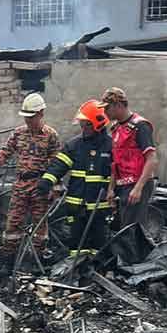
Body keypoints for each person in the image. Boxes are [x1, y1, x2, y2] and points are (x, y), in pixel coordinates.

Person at [0, 93, 61, 266]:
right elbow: (3, 154)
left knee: (40, 226)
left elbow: (57, 164)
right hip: (21, 185)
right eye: (26, 117)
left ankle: (37, 262)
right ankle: (8, 261)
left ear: (41, 113)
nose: (28, 120)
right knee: (13, 224)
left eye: (31, 117)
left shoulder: (51, 136)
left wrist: (56, 187)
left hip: (40, 186)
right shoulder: (18, 133)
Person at [41, 100, 112, 258]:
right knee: (76, 240)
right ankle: (78, 266)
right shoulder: (74, 145)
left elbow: (118, 172)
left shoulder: (111, 146)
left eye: (86, 124)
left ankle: (96, 266)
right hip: (76, 204)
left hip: (100, 206)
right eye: (82, 124)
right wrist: (47, 181)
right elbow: (59, 165)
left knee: (99, 240)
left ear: (97, 124)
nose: (83, 128)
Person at [100, 87, 159, 233]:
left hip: (137, 184)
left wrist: (138, 188)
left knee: (133, 231)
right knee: (123, 230)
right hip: (123, 186)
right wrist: (111, 189)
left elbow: (152, 159)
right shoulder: (115, 128)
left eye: (107, 108)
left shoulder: (140, 126)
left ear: (118, 105)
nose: (105, 112)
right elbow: (115, 162)